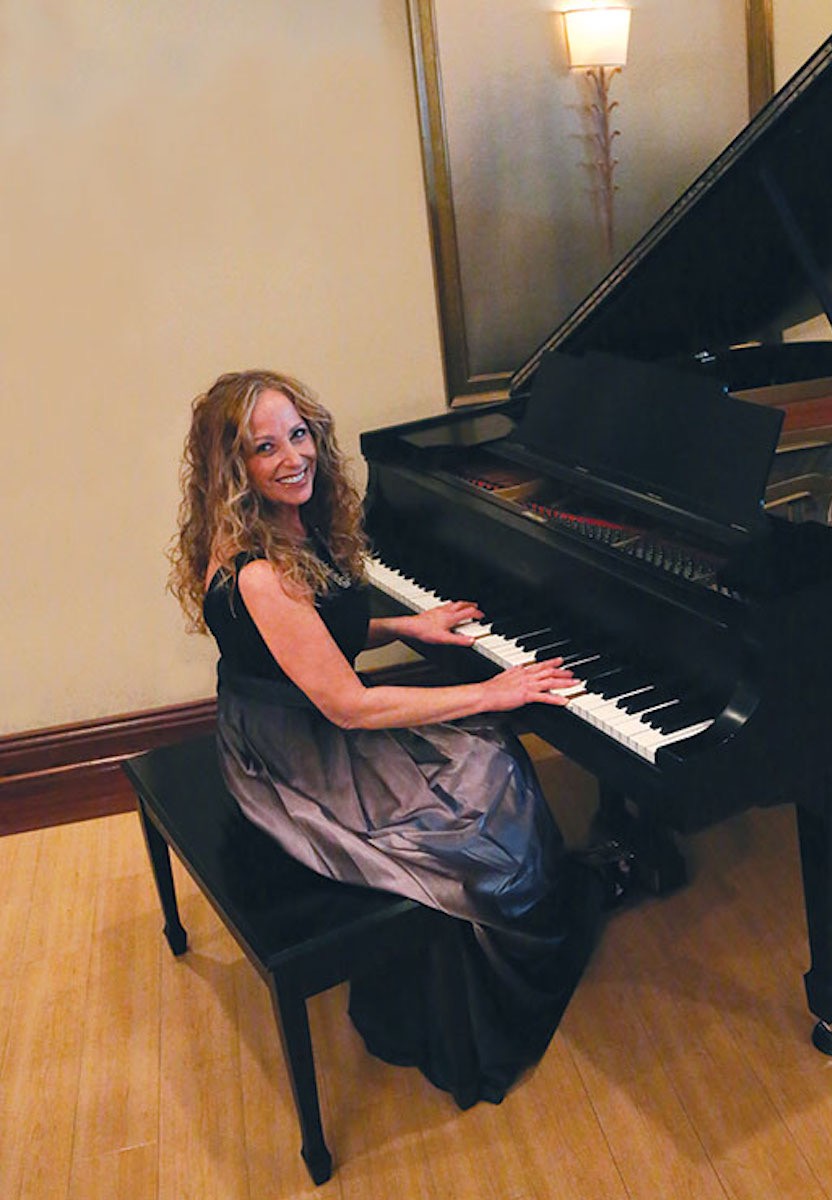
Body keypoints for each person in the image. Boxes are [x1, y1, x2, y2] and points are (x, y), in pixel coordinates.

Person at [168, 368, 625, 1108]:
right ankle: (480, 990)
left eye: (299, 434)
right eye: (265, 447)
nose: (294, 457)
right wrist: (492, 689)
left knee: (485, 754)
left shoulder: (283, 520)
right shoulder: (257, 572)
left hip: (295, 711)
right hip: (297, 751)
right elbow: (346, 704)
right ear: (233, 466)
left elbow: (313, 634)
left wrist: (406, 625)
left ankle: (571, 875)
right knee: (484, 801)